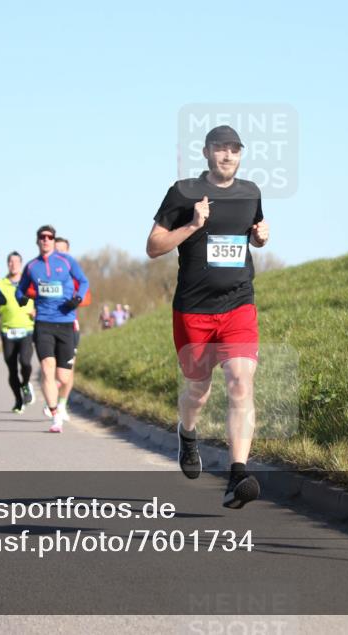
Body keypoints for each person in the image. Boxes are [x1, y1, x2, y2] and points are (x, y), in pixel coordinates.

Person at [145, 125, 270, 508]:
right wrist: (192, 225)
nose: (227, 155)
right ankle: (187, 432)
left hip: (238, 305)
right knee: (199, 390)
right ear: (206, 152)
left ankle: (238, 474)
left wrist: (260, 238)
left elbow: (251, 234)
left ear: (240, 154)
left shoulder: (251, 193)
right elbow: (153, 247)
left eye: (234, 149)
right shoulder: (182, 192)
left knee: (240, 381)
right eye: (220, 149)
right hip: (193, 310)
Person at [17, 225, 90, 433]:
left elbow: (84, 281)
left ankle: (58, 401)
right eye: (42, 237)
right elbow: (20, 289)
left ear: (53, 240)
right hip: (43, 323)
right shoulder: (31, 266)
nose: (46, 240)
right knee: (47, 368)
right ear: (37, 241)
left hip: (66, 322)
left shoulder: (67, 261)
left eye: (49, 237)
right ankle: (55, 416)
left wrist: (77, 299)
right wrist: (21, 298)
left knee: (64, 376)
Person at [0, 253, 36, 413]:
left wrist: (37, 310)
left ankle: (25, 384)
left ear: (21, 264)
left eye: (16, 261)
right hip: (7, 331)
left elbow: (38, 299)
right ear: (7, 264)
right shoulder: (0, 285)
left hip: (26, 329)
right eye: (10, 261)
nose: (13, 264)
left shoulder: (28, 282)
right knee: (11, 369)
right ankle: (18, 400)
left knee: (25, 362)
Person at [53, 236, 81, 403]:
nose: (59, 254)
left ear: (68, 252)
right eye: (57, 251)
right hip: (47, 325)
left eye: (62, 250)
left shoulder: (73, 273)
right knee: (50, 367)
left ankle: (62, 404)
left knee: (68, 368)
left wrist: (74, 300)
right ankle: (52, 398)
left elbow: (86, 295)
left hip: (70, 325)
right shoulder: (44, 271)